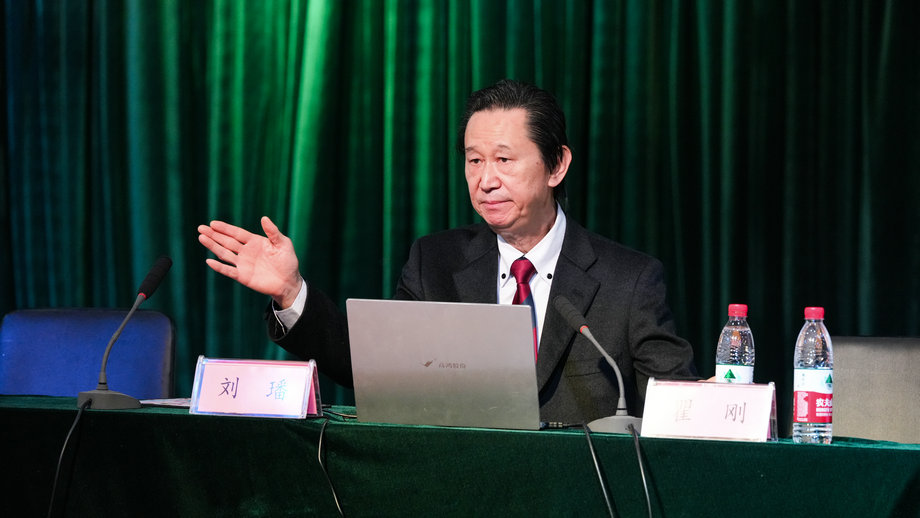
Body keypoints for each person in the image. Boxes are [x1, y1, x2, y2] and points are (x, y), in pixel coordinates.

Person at [198, 79, 697, 424]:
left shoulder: (629, 280)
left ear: (557, 165)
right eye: (474, 160)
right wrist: (291, 292)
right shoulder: (435, 261)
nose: (486, 180)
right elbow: (374, 371)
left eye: (504, 159)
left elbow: (676, 412)